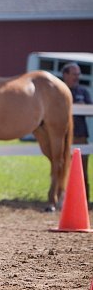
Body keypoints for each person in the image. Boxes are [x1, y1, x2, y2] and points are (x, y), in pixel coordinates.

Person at [62, 62, 91, 204]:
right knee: (62, 169)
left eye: (78, 74)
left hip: (80, 136)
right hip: (64, 137)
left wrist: (83, 107)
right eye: (74, 74)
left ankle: (85, 201)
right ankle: (65, 199)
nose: (77, 77)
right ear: (65, 75)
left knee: (82, 171)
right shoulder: (58, 91)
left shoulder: (83, 92)